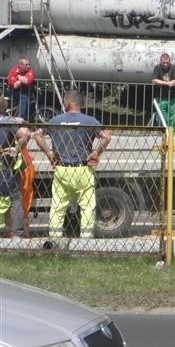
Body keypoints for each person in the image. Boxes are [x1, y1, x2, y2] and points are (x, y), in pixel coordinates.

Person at [33, 90, 111, 241]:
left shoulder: (55, 120)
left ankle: (55, 240)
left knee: (58, 207)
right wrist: (96, 153)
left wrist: (49, 153)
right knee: (87, 206)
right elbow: (107, 137)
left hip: (62, 168)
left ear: (68, 102)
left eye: (63, 101)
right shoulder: (90, 121)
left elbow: (37, 134)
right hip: (83, 169)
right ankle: (86, 241)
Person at [0, 98, 33, 238]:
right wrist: (16, 149)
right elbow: (25, 135)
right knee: (14, 198)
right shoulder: (8, 122)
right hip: (4, 166)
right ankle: (18, 234)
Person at [151, 53, 175, 130]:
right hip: (160, 97)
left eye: (167, 62)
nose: (165, 64)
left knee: (173, 117)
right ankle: (164, 132)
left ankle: (173, 134)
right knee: (161, 115)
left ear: (169, 61)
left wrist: (172, 83)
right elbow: (154, 80)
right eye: (163, 62)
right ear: (160, 61)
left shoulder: (173, 68)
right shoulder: (157, 68)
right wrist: (167, 83)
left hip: (173, 97)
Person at [6, 56, 35, 121]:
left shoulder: (30, 70)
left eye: (29, 64)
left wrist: (19, 78)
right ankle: (20, 118)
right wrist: (22, 79)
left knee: (26, 98)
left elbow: (27, 81)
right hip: (13, 91)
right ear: (20, 65)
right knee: (24, 97)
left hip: (25, 90)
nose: (28, 66)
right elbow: (14, 85)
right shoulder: (13, 71)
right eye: (26, 64)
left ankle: (23, 119)